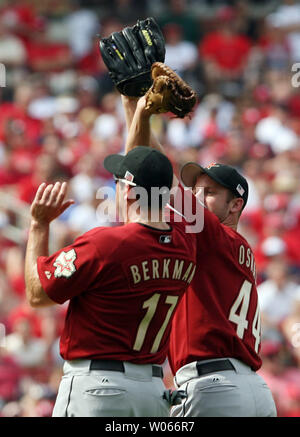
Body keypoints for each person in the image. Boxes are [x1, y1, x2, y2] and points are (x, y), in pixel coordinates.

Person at [121, 94, 277, 417]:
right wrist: (137, 111)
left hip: (213, 386)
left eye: (209, 192)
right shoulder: (239, 247)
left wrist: (135, 106)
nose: (197, 196)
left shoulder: (214, 236)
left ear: (236, 204)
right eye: (196, 190)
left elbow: (152, 170)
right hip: (254, 392)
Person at [24, 146, 197, 417]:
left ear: (128, 191)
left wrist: (39, 225)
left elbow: (37, 294)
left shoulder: (105, 243)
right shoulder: (186, 247)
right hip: (152, 393)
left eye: (116, 183)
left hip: (99, 389)